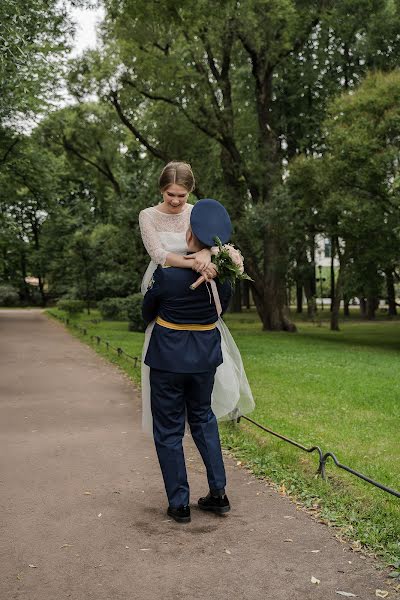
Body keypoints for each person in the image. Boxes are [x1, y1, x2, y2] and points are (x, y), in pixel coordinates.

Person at [139, 161, 255, 436]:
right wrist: (193, 263)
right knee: (167, 338)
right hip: (167, 282)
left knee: (204, 340)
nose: (177, 200)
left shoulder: (197, 212)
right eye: (171, 194)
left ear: (190, 192)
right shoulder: (148, 215)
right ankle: (172, 408)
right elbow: (158, 254)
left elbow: (213, 242)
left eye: (182, 195)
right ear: (162, 190)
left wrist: (207, 254)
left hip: (201, 285)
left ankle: (201, 408)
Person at [142, 199, 233, 523]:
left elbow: (147, 310)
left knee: (168, 430)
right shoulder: (223, 278)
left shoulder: (167, 276)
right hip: (205, 358)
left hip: (168, 357)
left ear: (191, 234)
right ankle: (219, 494)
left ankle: (179, 503)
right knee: (203, 420)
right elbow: (223, 312)